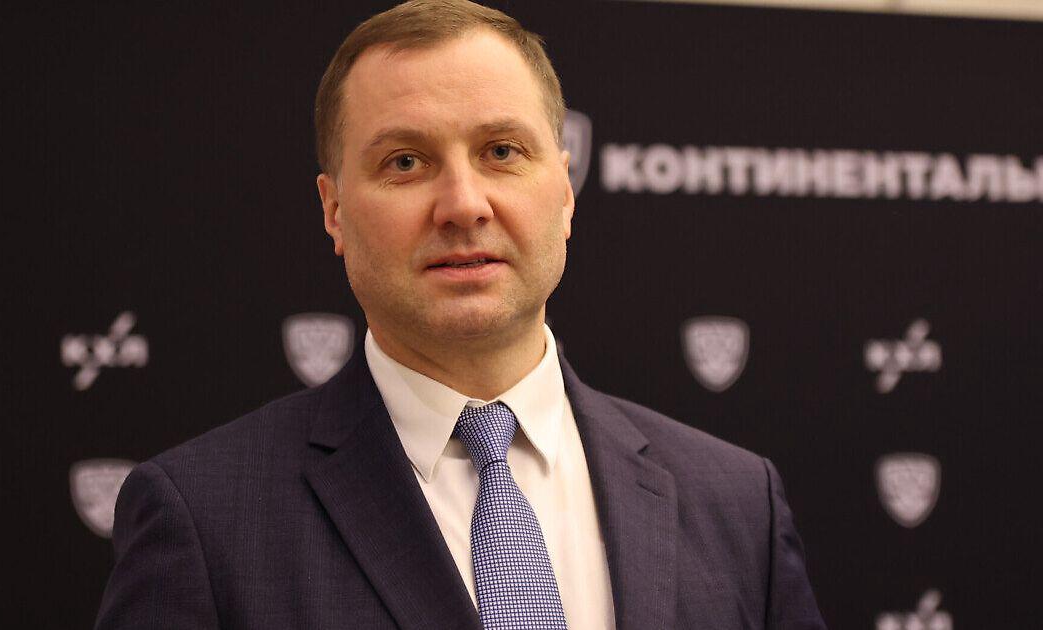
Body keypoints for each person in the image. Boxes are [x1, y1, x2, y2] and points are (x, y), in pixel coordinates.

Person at [94, 1, 826, 628]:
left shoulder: (737, 504)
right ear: (334, 210)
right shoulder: (203, 520)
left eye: (502, 151)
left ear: (565, 191)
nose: (464, 205)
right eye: (405, 162)